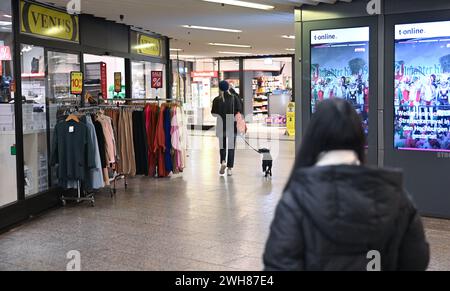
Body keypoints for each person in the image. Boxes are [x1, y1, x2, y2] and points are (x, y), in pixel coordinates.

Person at [263, 99, 430, 271]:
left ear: (312, 138)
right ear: (359, 137)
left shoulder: (295, 200)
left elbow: (279, 265)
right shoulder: (397, 198)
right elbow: (416, 260)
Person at [211, 80, 242, 176]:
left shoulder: (216, 99)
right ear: (228, 87)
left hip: (221, 123)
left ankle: (223, 161)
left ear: (219, 88)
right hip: (231, 123)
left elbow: (213, 113)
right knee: (231, 147)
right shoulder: (234, 98)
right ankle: (229, 168)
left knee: (222, 146)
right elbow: (239, 110)